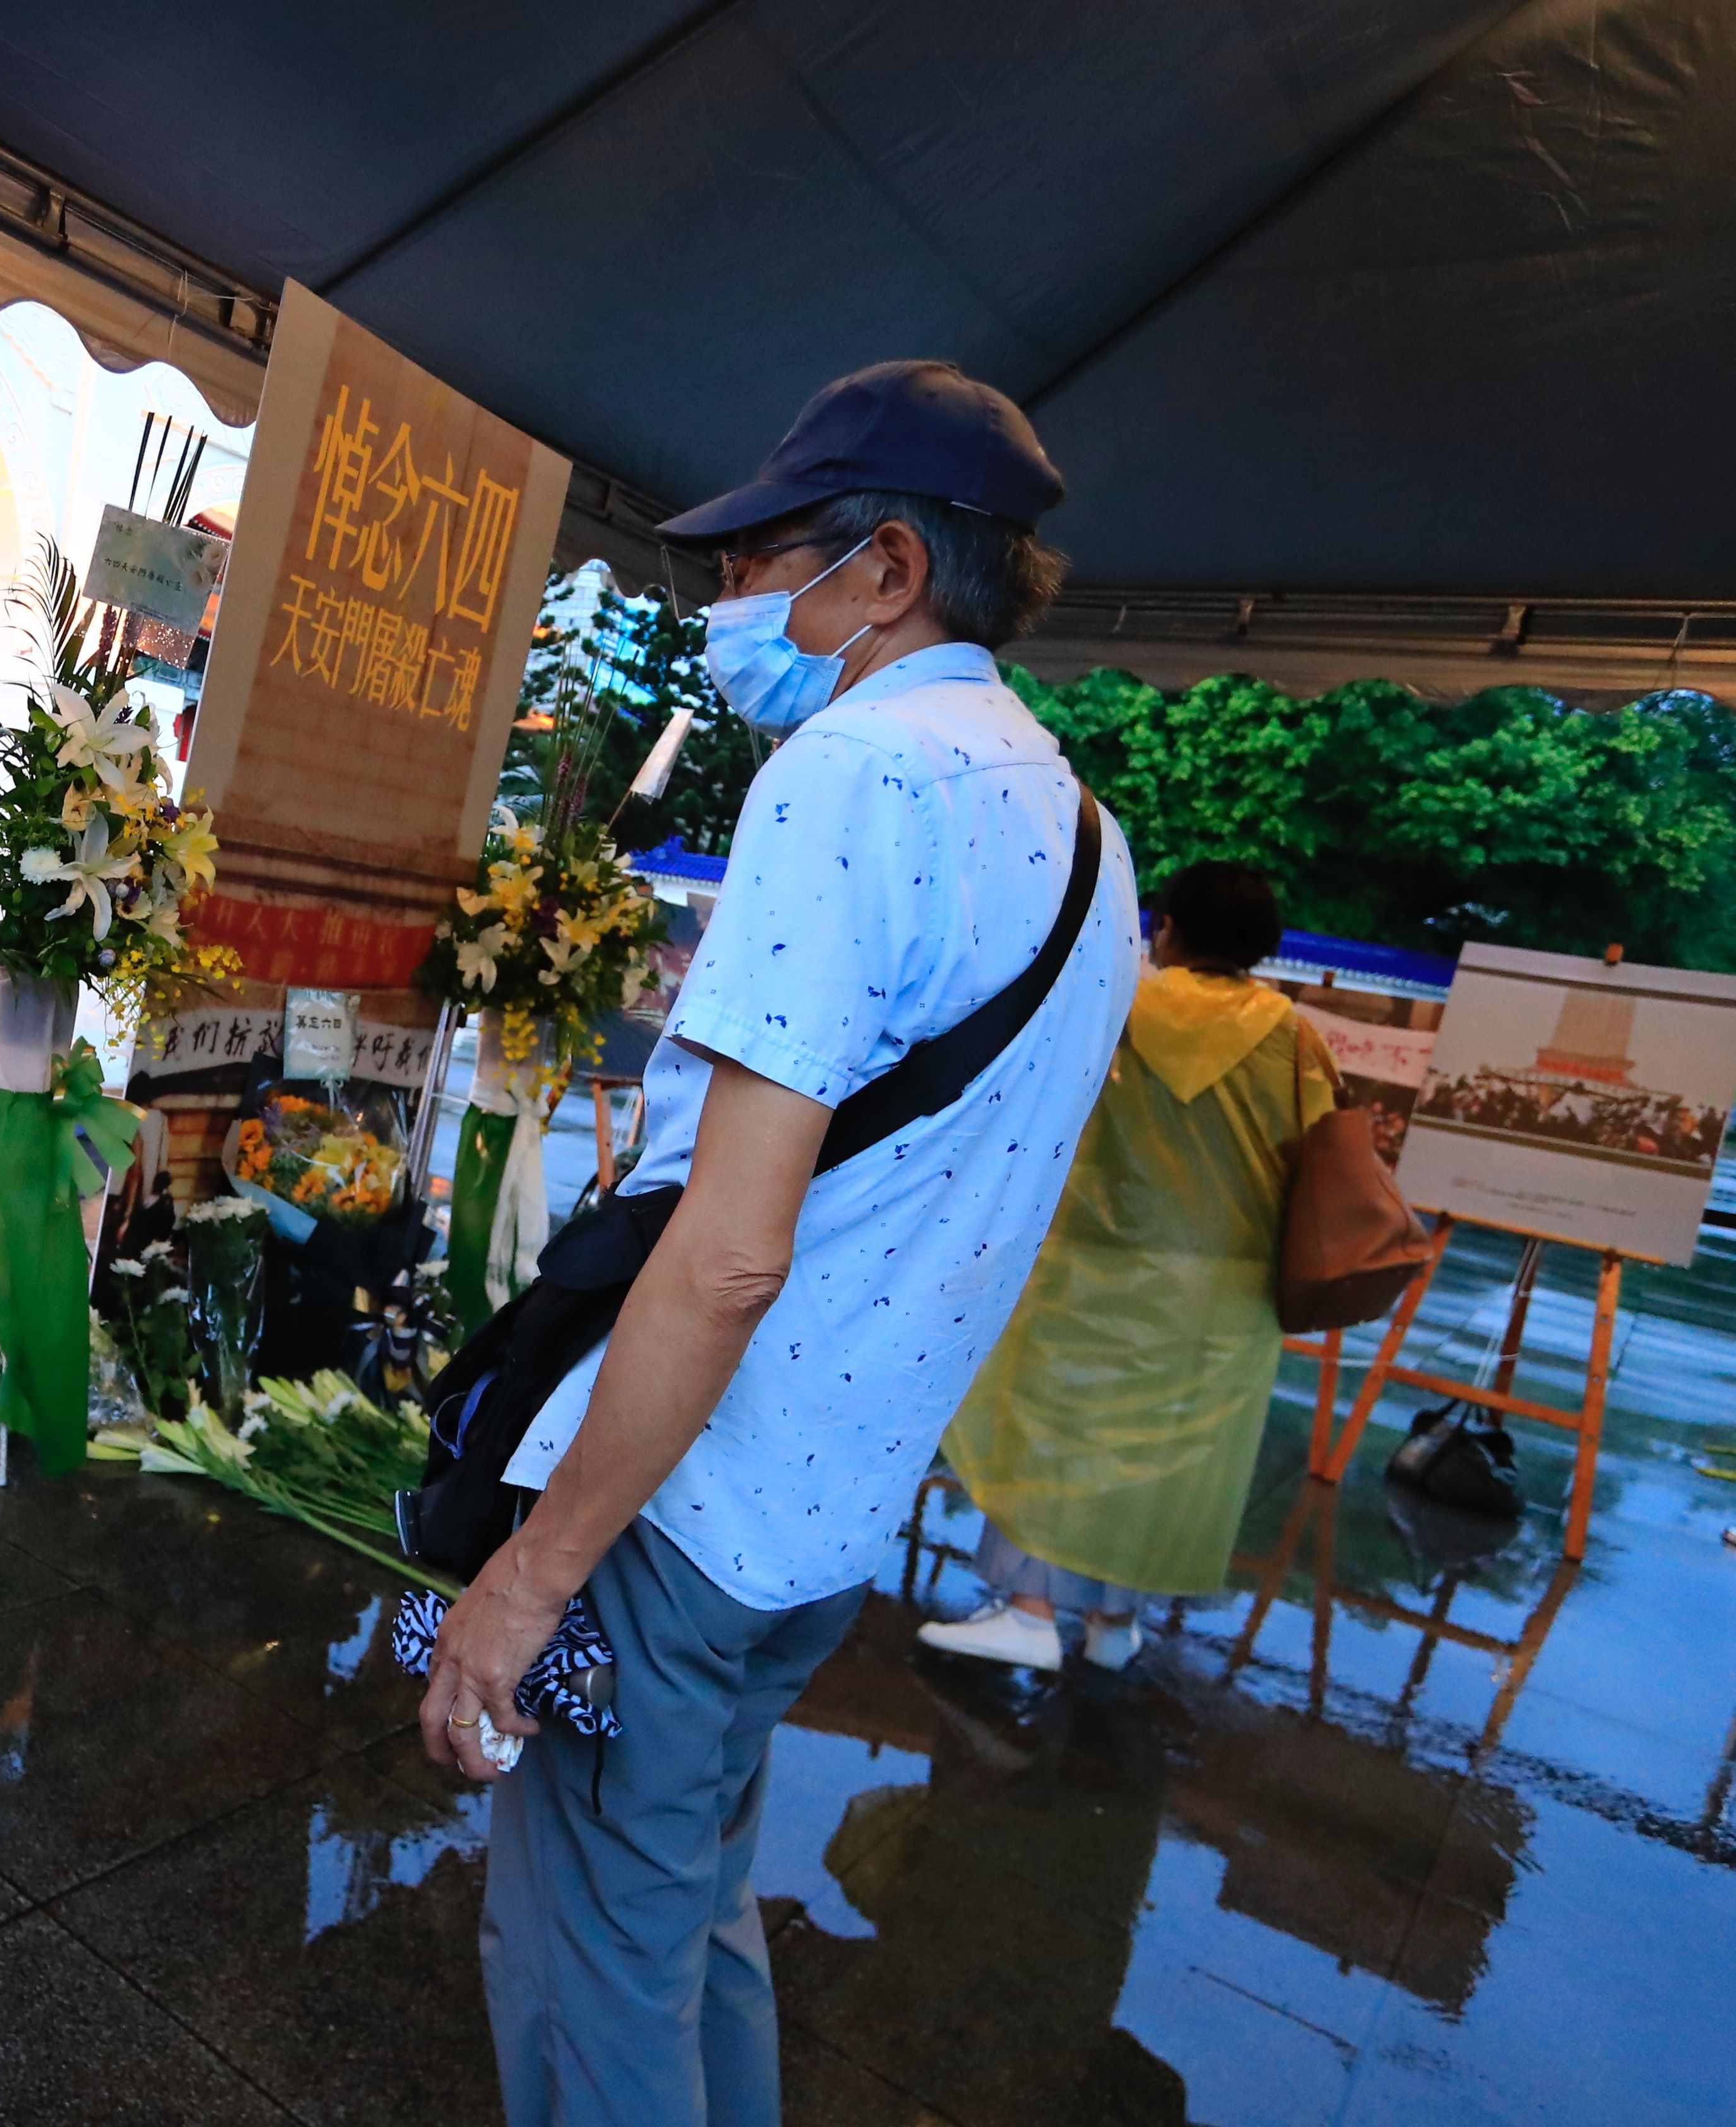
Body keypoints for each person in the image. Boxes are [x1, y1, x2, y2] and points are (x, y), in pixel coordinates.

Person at [412, 361, 1139, 2127]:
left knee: (594, 1969)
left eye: (758, 567)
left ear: (885, 570)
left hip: (683, 1503)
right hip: (826, 1516)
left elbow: (730, 1253)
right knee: (692, 1913)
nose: (727, 609)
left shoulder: (855, 772)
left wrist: (534, 1569)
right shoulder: (1086, 834)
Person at [920, 861, 1333, 1673]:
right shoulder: (1294, 1038)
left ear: (1166, 930)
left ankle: (1029, 1612)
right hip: (1224, 1288)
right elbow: (1316, 1152)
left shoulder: (1121, 1008)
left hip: (1094, 1263)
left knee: (1051, 1436)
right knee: (1161, 1456)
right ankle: (1114, 1623)